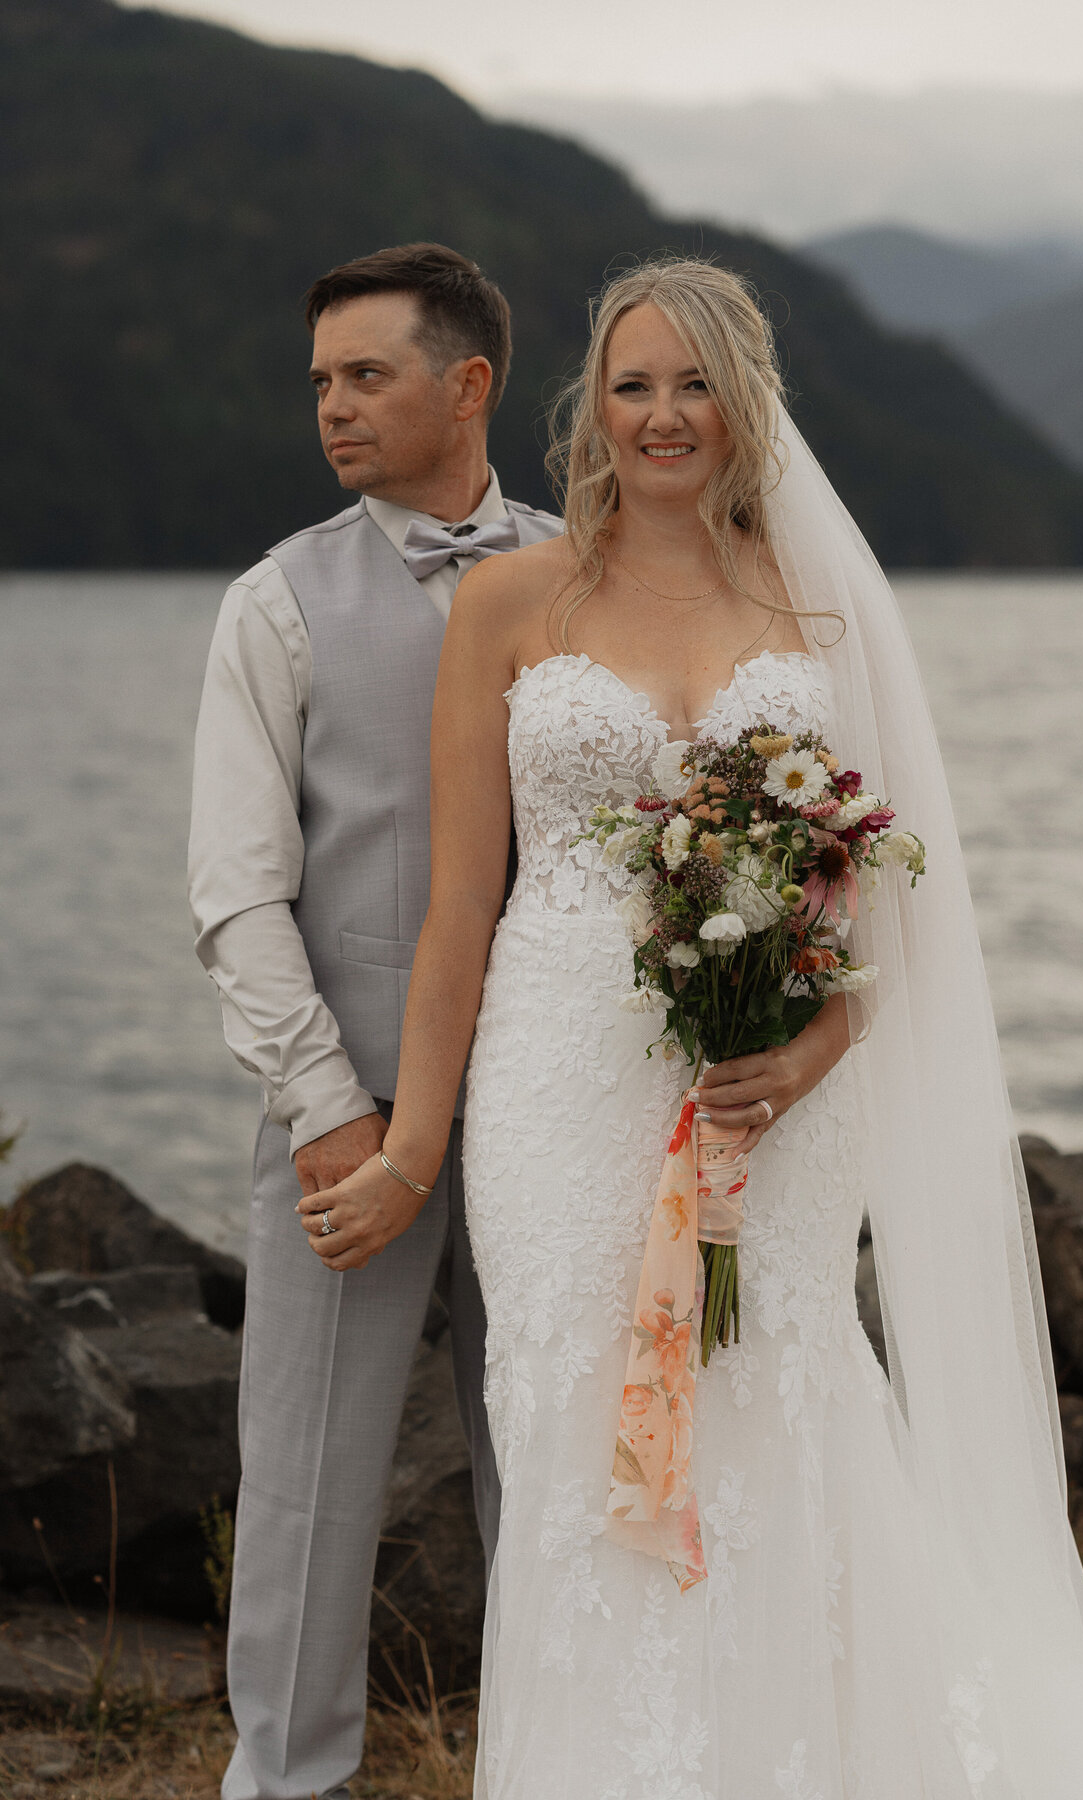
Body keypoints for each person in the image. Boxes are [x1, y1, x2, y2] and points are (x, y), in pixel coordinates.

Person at [299, 257, 1083, 1797]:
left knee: (777, 1413)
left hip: (767, 1094)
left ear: (745, 401)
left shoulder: (813, 608)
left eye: (696, 383)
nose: (664, 415)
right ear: (594, 403)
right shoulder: (512, 602)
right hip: (557, 1084)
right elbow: (460, 910)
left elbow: (884, 899)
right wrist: (412, 1147)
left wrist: (811, 1053)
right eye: (635, 383)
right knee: (579, 1433)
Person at [188, 242, 561, 1800]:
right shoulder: (276, 600)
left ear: (467, 384)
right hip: (346, 1109)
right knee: (307, 1486)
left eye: (366, 375)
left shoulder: (584, 565)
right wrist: (332, 1109)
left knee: (546, 1468)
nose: (331, 408)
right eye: (321, 381)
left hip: (556, 1107)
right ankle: (286, 1781)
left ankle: (564, 1762)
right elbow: (234, 893)